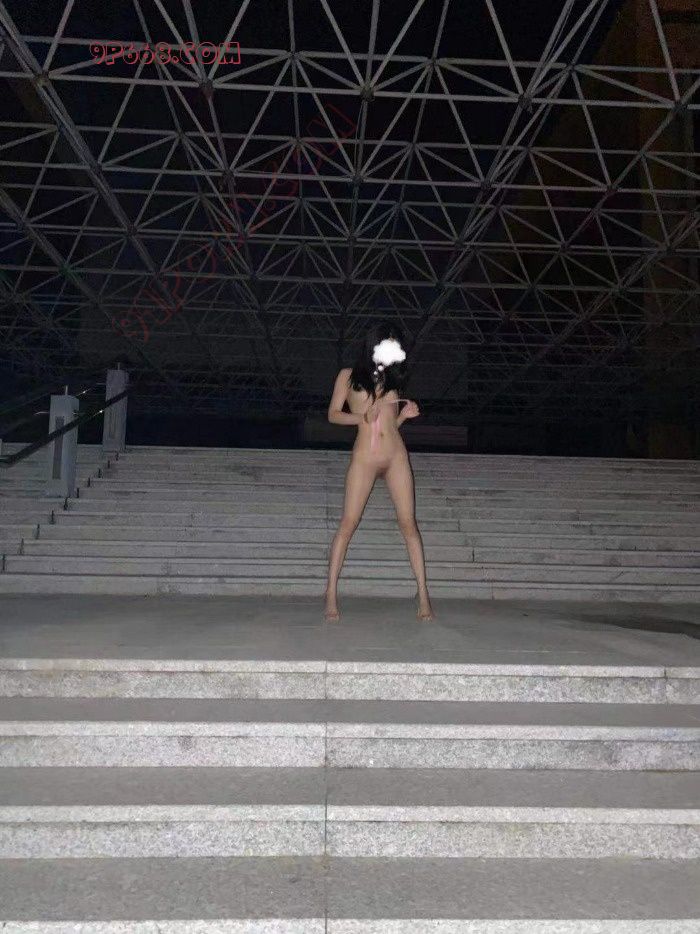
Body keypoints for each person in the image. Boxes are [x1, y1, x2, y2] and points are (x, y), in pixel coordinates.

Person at [324, 320, 435, 622]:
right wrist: (361, 416)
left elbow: (388, 426)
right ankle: (330, 593)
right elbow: (333, 415)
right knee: (348, 523)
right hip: (365, 457)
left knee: (409, 523)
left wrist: (405, 416)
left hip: (395, 455)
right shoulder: (348, 376)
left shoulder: (393, 381)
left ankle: (423, 595)